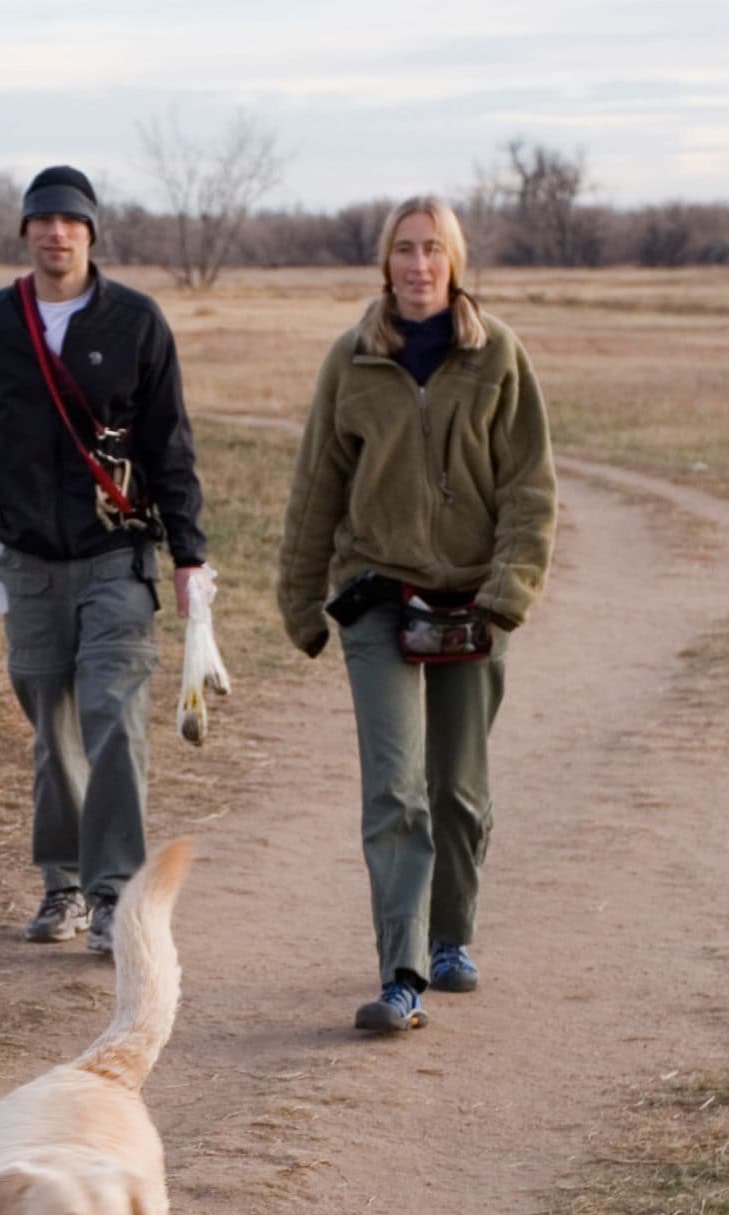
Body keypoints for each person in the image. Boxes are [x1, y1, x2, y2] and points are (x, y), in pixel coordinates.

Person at [275, 195, 557, 1034]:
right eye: (404, 248)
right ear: (384, 262)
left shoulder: (499, 355)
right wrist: (300, 600)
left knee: (458, 790)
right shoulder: (352, 358)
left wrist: (508, 592)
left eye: (434, 249)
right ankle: (401, 973)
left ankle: (451, 938)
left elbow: (529, 488)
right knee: (396, 790)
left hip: (472, 602)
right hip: (378, 596)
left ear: (456, 261)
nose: (419, 264)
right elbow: (315, 488)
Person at [0, 165, 212, 957]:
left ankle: (114, 895)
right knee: (52, 731)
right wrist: (8, 492)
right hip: (28, 564)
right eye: (43, 221)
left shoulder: (135, 321)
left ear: (92, 233)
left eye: (71, 222)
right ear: (26, 232)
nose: (57, 234)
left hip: (116, 555)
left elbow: (171, 445)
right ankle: (61, 884)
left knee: (114, 722)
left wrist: (189, 554)